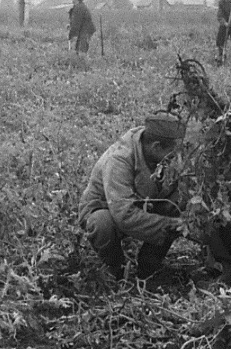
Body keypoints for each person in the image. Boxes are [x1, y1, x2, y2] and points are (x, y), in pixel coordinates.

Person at [78, 112, 189, 281]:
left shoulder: (155, 152)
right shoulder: (119, 159)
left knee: (178, 202)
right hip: (109, 209)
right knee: (102, 223)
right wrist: (175, 225)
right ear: (156, 147)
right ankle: (115, 269)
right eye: (173, 154)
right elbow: (124, 215)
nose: (177, 159)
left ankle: (149, 266)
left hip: (145, 203)